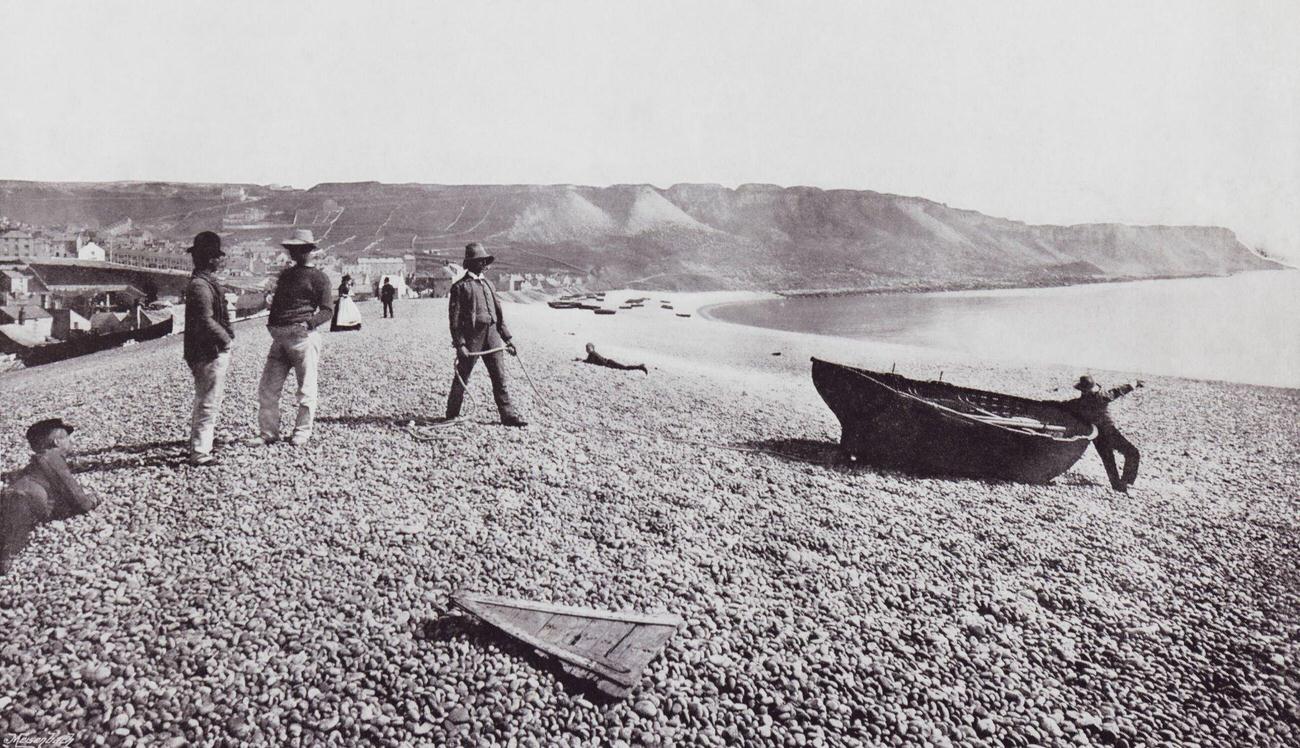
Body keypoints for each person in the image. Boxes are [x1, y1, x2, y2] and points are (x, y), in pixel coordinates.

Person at [254, 229, 333, 446]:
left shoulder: (320, 278)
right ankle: (268, 432)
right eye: (292, 249)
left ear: (308, 250)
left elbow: (327, 310)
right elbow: (278, 304)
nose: (293, 253)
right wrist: (272, 324)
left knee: (306, 388)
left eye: (298, 249)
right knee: (268, 389)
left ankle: (302, 432)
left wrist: (308, 323)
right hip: (279, 338)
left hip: (303, 338)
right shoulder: (286, 276)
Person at [1, 419, 100, 574]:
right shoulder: (52, 458)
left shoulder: (37, 462)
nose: (70, 442)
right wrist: (93, 500)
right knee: (12, 539)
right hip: (23, 501)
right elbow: (78, 500)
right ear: (56, 442)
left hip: (11, 497)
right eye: (67, 438)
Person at [445, 242, 527, 427]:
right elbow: (454, 321)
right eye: (479, 261)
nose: (483, 264)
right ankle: (451, 414)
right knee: (462, 376)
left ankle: (508, 415)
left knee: (499, 376)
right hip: (472, 337)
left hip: (492, 335)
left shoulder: (489, 284)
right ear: (470, 263)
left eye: (484, 261)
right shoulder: (460, 287)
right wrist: (460, 345)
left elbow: (499, 315)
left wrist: (508, 338)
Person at [182, 231, 234, 467]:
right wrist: (226, 339)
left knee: (208, 398)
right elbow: (205, 320)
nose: (221, 260)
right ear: (211, 259)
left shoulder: (200, 283)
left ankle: (202, 444)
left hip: (204, 350)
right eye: (218, 256)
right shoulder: (201, 286)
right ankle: (200, 452)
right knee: (208, 401)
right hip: (209, 351)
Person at [1066, 375, 1144, 492]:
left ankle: (1118, 486)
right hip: (1108, 431)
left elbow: (1063, 405)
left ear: (1082, 390)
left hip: (1095, 434)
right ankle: (1127, 482)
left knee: (1108, 460)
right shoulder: (1101, 397)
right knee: (1132, 453)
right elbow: (1118, 391)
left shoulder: (1078, 403)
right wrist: (1134, 383)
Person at [579, 342, 648, 374]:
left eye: (589, 348)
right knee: (625, 367)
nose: (587, 349)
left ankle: (640, 367)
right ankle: (639, 367)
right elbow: (589, 361)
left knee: (625, 368)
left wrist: (581, 360)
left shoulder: (592, 354)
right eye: (587, 348)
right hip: (609, 362)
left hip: (609, 363)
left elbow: (589, 361)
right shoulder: (592, 354)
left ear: (592, 348)